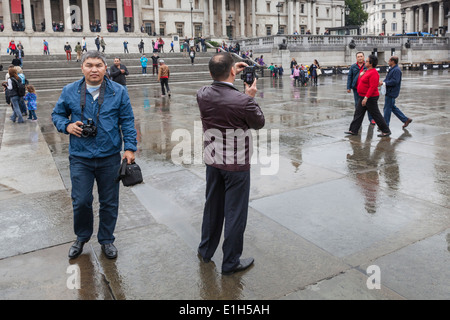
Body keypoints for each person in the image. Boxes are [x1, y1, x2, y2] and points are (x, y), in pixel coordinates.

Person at [51, 50, 137, 260]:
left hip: (109, 156)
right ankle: (81, 237)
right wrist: (67, 125)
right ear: (82, 67)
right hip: (80, 156)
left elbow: (127, 120)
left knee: (110, 201)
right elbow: (57, 114)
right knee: (81, 201)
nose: (94, 69)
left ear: (105, 68)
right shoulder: (70, 90)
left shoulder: (118, 91)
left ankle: (107, 239)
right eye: (89, 65)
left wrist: (130, 147)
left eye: (98, 65)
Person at [196, 52, 264, 275]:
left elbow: (218, 83)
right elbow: (258, 123)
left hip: (213, 160)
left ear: (209, 73)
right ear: (233, 71)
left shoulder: (202, 94)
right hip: (236, 164)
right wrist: (251, 96)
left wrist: (231, 70)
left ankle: (206, 250)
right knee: (235, 213)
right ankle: (230, 262)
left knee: (212, 207)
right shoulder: (244, 101)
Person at [345, 54, 391, 138]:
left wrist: (366, 98)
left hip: (370, 97)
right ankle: (353, 130)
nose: (365, 62)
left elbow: (372, 87)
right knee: (358, 113)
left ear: (371, 63)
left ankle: (386, 130)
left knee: (376, 115)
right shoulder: (367, 71)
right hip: (362, 96)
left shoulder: (374, 73)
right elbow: (362, 82)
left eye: (366, 61)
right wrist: (361, 75)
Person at [379, 56, 413, 129]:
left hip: (392, 92)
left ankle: (385, 126)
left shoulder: (396, 70)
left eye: (389, 61)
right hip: (389, 91)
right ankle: (405, 120)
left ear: (392, 61)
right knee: (392, 107)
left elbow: (395, 81)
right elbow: (388, 79)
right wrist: (383, 82)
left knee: (387, 109)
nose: (388, 62)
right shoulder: (393, 69)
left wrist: (384, 83)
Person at [347, 52, 374, 124]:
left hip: (366, 88)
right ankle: (358, 119)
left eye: (361, 56)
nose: (360, 58)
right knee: (357, 104)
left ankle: (371, 119)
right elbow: (350, 76)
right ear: (356, 58)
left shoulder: (367, 66)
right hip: (356, 88)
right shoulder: (353, 66)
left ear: (364, 57)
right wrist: (348, 87)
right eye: (358, 56)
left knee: (368, 104)